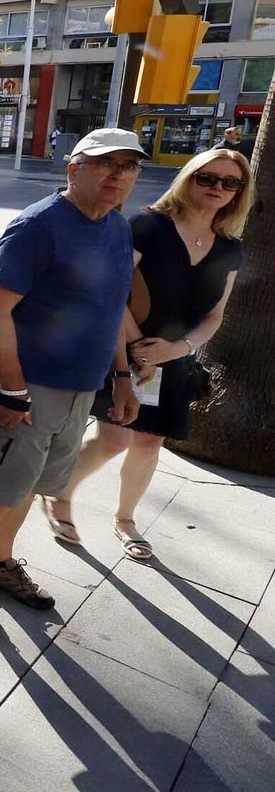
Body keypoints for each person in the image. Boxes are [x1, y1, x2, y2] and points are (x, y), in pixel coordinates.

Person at [0, 129, 144, 624]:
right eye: (106, 163)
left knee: (33, 481)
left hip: (81, 383)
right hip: (27, 383)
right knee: (1, 482)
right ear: (73, 168)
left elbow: (112, 307)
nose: (117, 175)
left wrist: (122, 377)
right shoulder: (37, 227)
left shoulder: (117, 226)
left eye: (128, 166)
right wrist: (12, 390)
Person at [46, 149, 251, 558]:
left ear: (239, 193)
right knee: (115, 437)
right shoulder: (146, 226)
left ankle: (125, 519)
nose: (217, 188)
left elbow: (214, 316)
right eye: (208, 178)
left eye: (230, 183)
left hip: (174, 358)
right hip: (123, 350)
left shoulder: (230, 249)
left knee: (149, 443)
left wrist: (176, 349)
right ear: (189, 177)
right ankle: (59, 493)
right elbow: (111, 292)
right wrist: (140, 348)